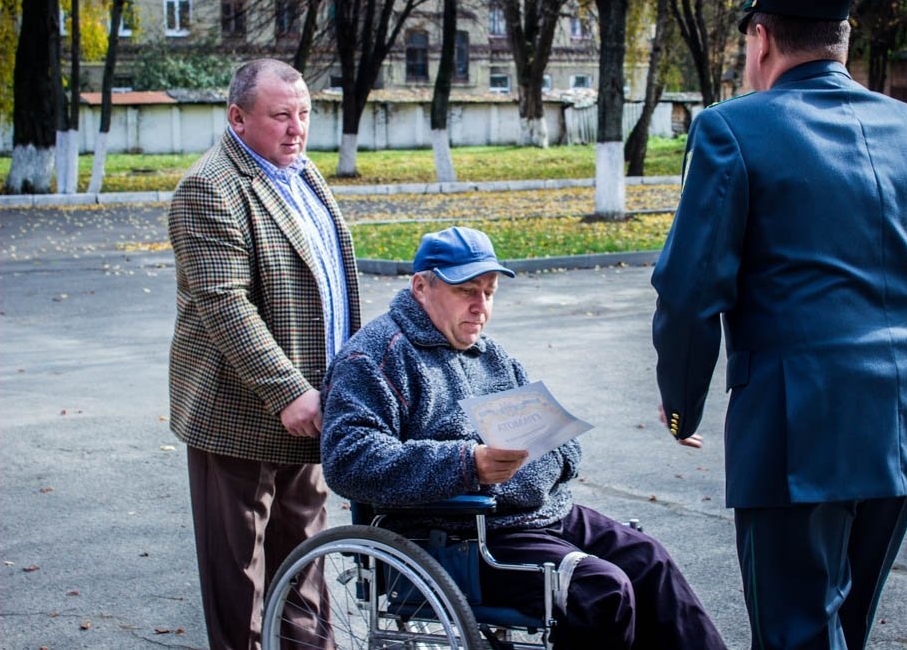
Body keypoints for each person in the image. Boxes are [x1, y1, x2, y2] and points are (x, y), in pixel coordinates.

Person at [651, 0, 907, 648]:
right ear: (842, 40)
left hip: (797, 429)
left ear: (761, 37)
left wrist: (682, 401)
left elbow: (692, 287)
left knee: (794, 634)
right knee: (847, 627)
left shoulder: (732, 129)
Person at [320, 226, 726, 650]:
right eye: (466, 291)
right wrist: (468, 464)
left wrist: (556, 455)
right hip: (456, 534)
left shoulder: (491, 355)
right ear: (421, 287)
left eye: (489, 292)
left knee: (648, 560)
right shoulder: (375, 357)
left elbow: (562, 442)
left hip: (539, 513)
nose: (480, 307)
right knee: (600, 591)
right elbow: (350, 460)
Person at [168, 58, 361, 649]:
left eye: (304, 113)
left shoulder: (300, 172)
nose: (297, 128)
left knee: (303, 563)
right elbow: (224, 304)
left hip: (314, 405)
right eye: (280, 115)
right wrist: (288, 391)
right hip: (240, 413)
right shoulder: (209, 187)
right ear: (238, 118)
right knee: (240, 580)